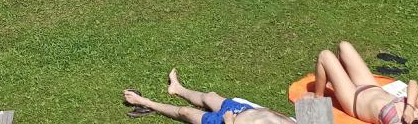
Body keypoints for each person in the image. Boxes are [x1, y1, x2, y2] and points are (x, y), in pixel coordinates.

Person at [313, 42, 418, 124]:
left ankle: (318, 97)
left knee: (325, 55)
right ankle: (338, 78)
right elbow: (413, 83)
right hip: (371, 85)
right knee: (344, 46)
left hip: (354, 99)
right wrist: (410, 107)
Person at [122, 69, 294, 124]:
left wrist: (228, 120)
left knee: (185, 112)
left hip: (226, 121)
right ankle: (177, 88)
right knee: (209, 97)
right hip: (243, 109)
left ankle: (145, 102)